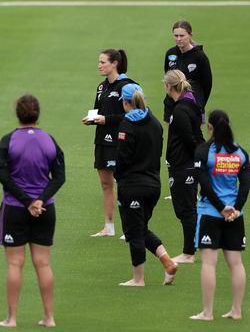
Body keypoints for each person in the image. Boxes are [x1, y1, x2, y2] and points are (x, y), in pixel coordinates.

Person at [0, 94, 65, 328]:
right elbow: (60, 177)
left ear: (18, 113)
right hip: (45, 210)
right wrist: (40, 201)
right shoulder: (49, 140)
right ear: (37, 114)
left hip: (15, 209)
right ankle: (49, 317)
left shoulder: (8, 140)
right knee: (43, 263)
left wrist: (27, 202)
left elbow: (4, 177)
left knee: (15, 264)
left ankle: (12, 318)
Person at [115, 85, 178, 286]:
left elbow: (122, 158)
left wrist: (117, 175)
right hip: (153, 185)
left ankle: (138, 279)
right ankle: (168, 262)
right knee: (140, 228)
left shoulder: (126, 125)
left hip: (132, 185)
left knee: (134, 231)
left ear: (126, 103)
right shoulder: (156, 124)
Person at [190, 110, 247, 321]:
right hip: (234, 216)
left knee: (208, 263)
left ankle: (207, 312)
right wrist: (236, 208)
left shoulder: (204, 151)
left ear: (210, 127)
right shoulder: (240, 153)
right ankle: (237, 310)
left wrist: (221, 207)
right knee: (236, 263)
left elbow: (203, 182)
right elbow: (246, 184)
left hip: (211, 213)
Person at [82, 49, 138, 237]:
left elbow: (135, 114)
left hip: (121, 141)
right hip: (102, 141)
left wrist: (107, 120)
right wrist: (91, 119)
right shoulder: (101, 87)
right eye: (99, 62)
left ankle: (130, 227)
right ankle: (109, 226)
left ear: (114, 63)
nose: (99, 65)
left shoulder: (128, 86)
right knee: (106, 184)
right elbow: (98, 110)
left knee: (124, 183)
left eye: (103, 62)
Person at [164, 70, 205, 264]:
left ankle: (189, 252)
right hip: (185, 164)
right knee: (187, 209)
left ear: (168, 86)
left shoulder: (180, 110)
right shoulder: (190, 104)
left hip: (184, 165)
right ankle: (192, 248)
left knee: (186, 209)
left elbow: (190, 138)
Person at [163, 20, 213, 123]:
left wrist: (199, 103)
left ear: (190, 35)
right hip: (171, 105)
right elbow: (168, 78)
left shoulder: (200, 56)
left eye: (182, 35)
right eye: (176, 36)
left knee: (193, 137)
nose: (179, 39)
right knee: (173, 138)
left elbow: (207, 84)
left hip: (193, 107)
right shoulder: (170, 54)